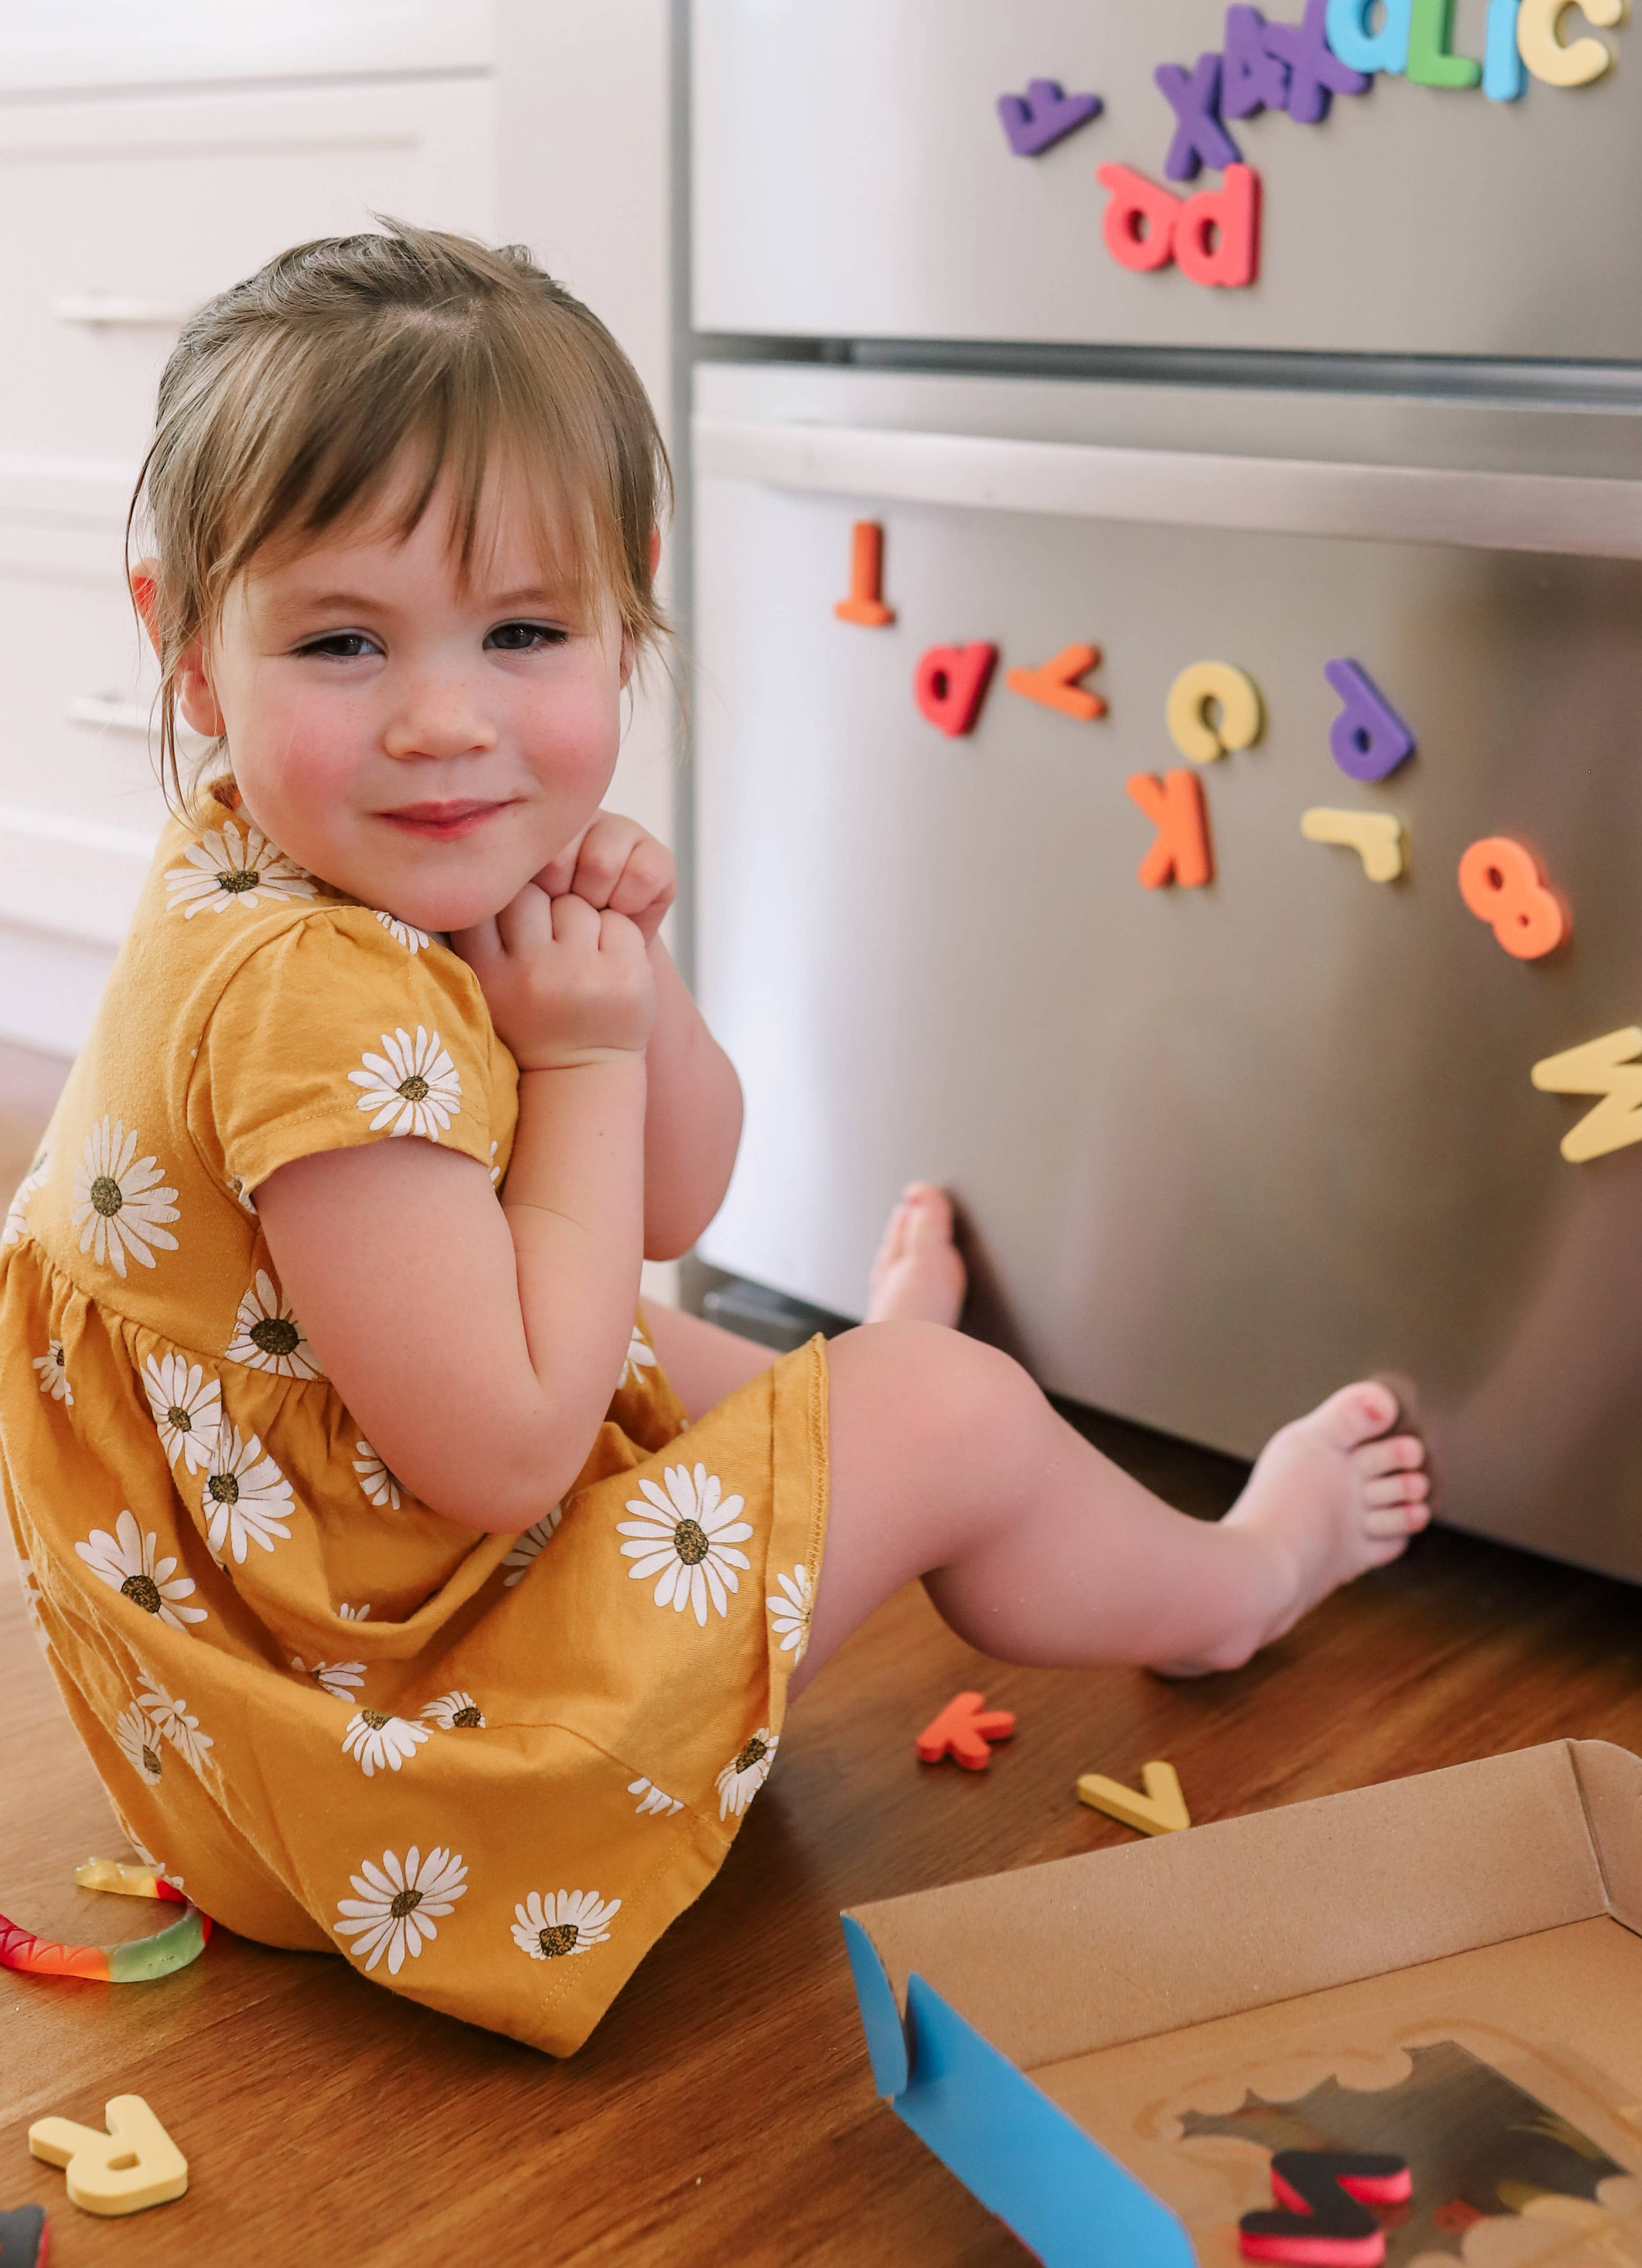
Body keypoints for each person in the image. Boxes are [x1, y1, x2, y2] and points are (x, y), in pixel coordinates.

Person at [0, 224, 1431, 2054]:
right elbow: (516, 1446)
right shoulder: (310, 995)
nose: (447, 721)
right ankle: (1233, 1588)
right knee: (950, 1414)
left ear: (626, 606)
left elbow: (672, 1200)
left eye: (524, 633)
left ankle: (886, 1397)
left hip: (292, 1665)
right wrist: (583, 1059)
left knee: (715, 1356)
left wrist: (630, 993)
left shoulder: (307, 845)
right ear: (188, 648)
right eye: (345, 642)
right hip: (398, 1780)